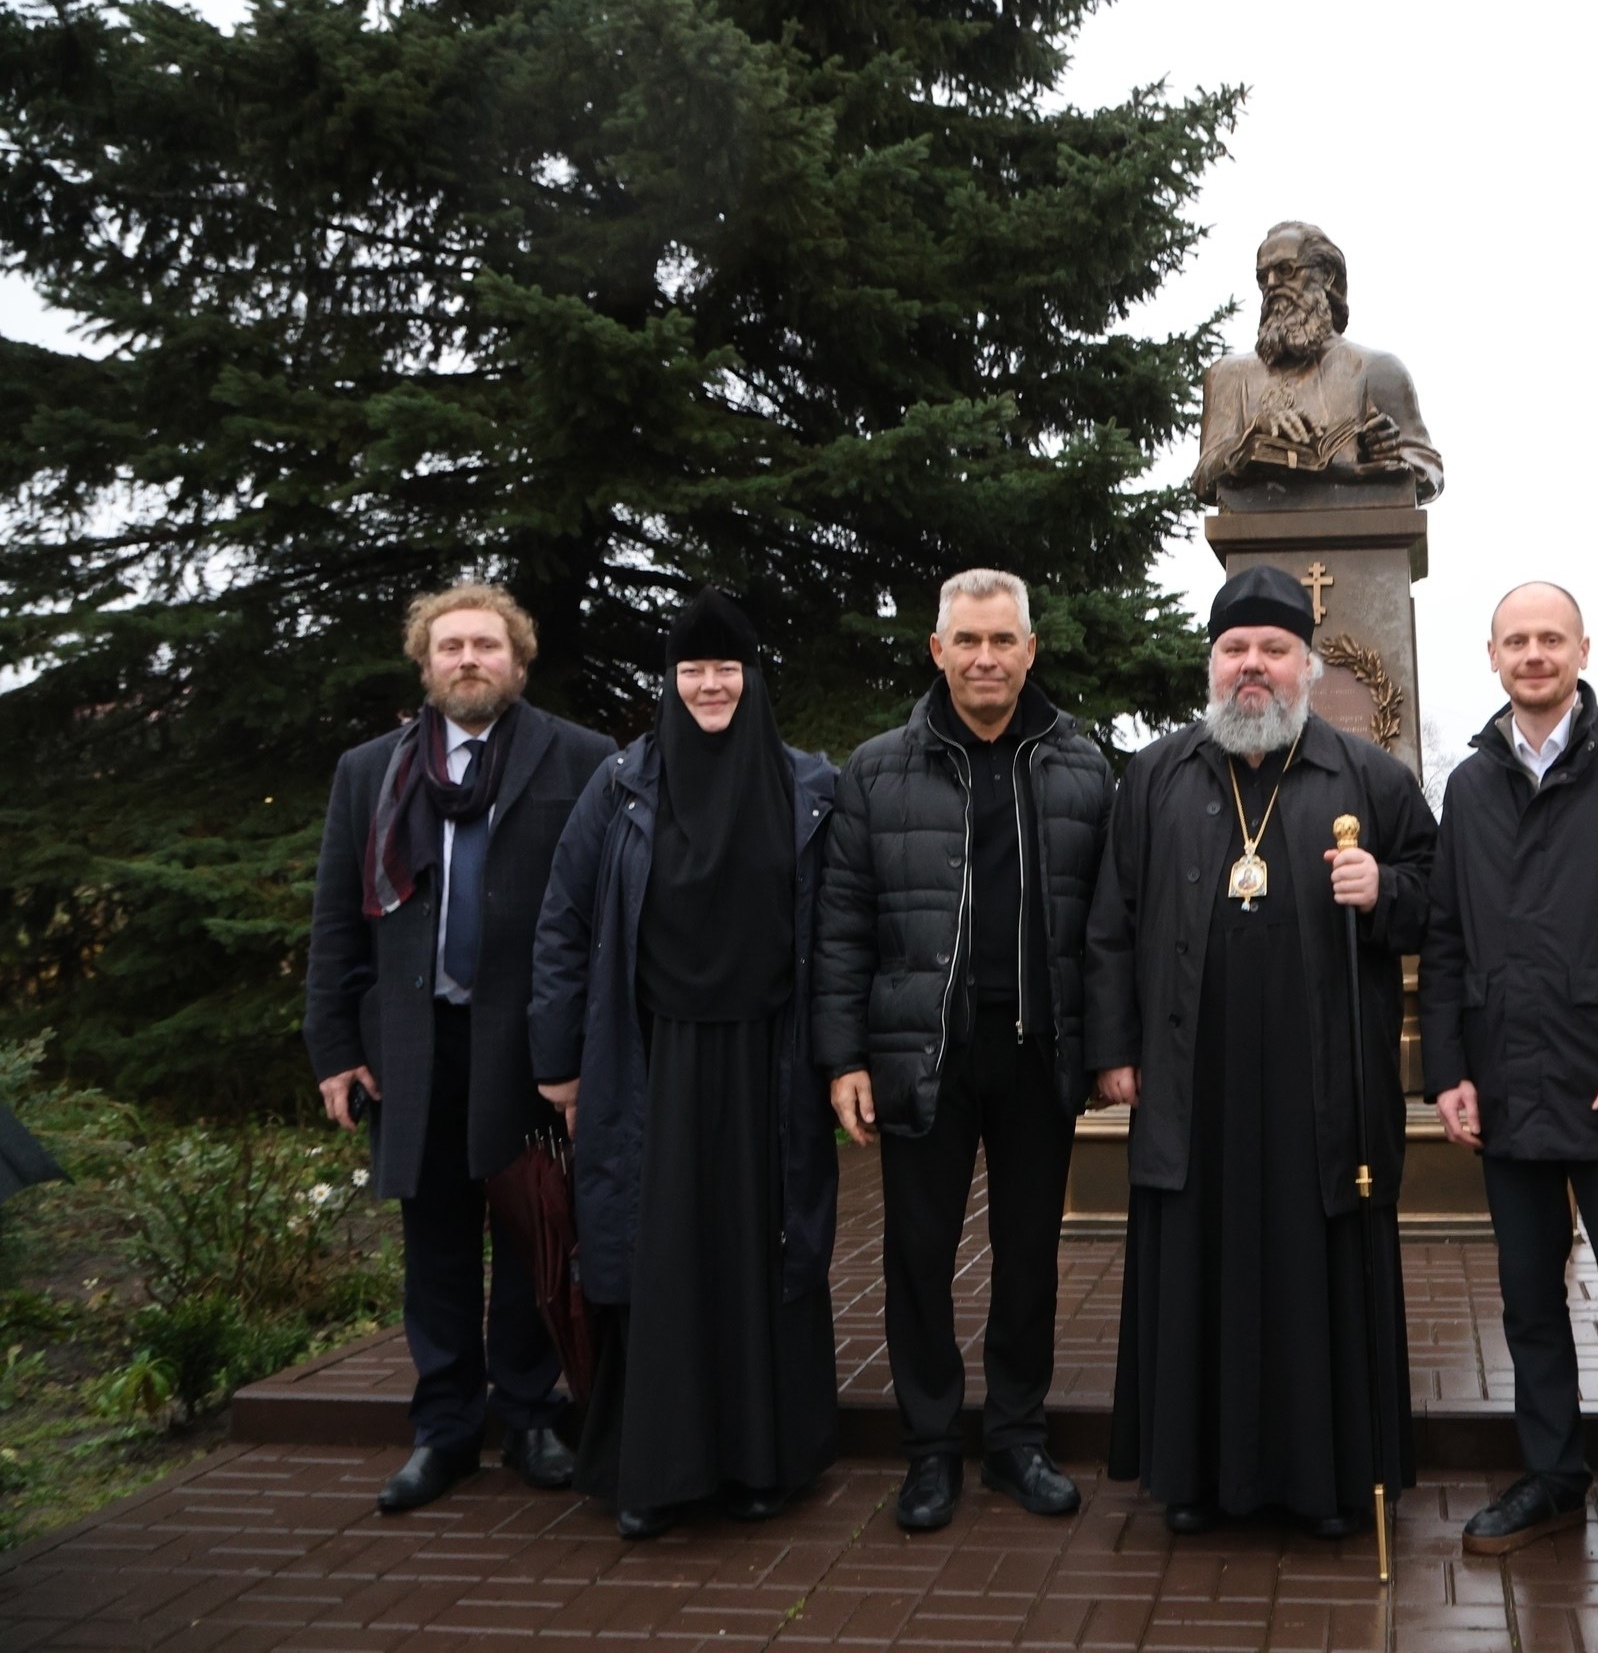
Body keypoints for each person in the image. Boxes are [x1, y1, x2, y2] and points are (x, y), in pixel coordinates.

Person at [1087, 564, 1436, 1538]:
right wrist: (1113, 1049)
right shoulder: (1156, 774)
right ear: (1213, 665)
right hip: (1190, 1082)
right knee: (1195, 1273)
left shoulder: (1366, 776)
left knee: (1310, 1277)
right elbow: (1110, 923)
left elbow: (1436, 901)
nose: (1253, 666)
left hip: (1319, 1090)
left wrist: (1388, 891)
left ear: (1306, 666)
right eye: (1235, 649)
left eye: (1272, 650)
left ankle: (1324, 1484)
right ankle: (1192, 1479)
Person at [1420, 582, 1598, 1609]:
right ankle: (1549, 1477)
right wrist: (1446, 1072)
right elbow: (1447, 943)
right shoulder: (1468, 783)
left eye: (1551, 638)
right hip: (1507, 1089)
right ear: (1492, 656)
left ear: (1582, 647)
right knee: (1529, 1305)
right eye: (1517, 641)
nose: (1534, 654)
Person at [527, 589, 841, 1540]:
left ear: (753, 675)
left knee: (760, 1256)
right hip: (648, 1060)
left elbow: (835, 935)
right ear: (670, 679)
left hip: (766, 1066)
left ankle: (760, 1465)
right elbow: (564, 922)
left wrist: (838, 1058)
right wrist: (558, 1064)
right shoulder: (620, 786)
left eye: (727, 666)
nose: (710, 684)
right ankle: (657, 1471)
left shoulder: (807, 785)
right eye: (692, 669)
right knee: (658, 1260)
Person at [811, 569, 1114, 1533]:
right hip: (921, 1052)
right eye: (967, 641)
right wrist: (843, 1057)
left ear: (1031, 650)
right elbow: (842, 926)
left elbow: (1108, 927)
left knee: (1028, 1255)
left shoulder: (1084, 766)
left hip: (1038, 1053)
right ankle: (933, 1448)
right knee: (917, 1254)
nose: (986, 657)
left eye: (1003, 640)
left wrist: (1109, 1049)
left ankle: (1017, 1438)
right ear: (937, 650)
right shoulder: (876, 769)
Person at [305, 581, 613, 1513]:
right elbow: (334, 922)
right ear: (426, 662)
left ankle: (527, 1415)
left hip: (530, 1045)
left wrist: (589, 1050)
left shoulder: (582, 759)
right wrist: (332, 1046)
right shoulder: (370, 771)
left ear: (518, 662)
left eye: (486, 645)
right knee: (434, 1240)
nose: (468, 659)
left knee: (531, 1235)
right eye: (451, 647)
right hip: (412, 1044)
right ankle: (444, 1430)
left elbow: (604, 915)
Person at [1190, 221, 1445, 505]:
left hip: (1358, 531)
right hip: (1259, 530)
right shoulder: (1229, 375)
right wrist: (1250, 441)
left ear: (1327, 276)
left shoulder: (1377, 369)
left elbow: (1429, 470)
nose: (1272, 284)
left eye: (1286, 270)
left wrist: (1390, 454)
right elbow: (1203, 477)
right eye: (1263, 277)